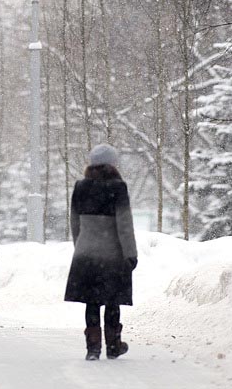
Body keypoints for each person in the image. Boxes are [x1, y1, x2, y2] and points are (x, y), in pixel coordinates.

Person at [64, 144, 138, 360]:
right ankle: (113, 344)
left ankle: (93, 348)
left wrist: (81, 245)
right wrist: (130, 253)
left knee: (92, 301)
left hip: (85, 254)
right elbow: (124, 224)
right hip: (112, 255)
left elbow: (74, 222)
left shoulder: (80, 187)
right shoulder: (118, 187)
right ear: (113, 164)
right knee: (112, 301)